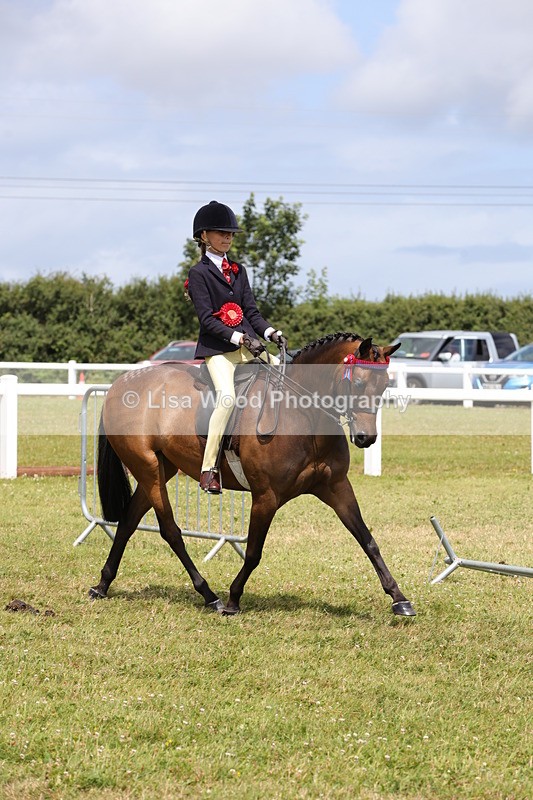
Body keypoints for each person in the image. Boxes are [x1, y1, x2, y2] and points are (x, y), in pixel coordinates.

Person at [187, 200, 286, 494]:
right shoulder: (198, 273)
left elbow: (251, 313)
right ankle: (209, 469)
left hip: (249, 345)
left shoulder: (239, 270)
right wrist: (239, 339)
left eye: (230, 233)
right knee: (227, 398)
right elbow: (207, 320)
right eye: (222, 232)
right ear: (204, 236)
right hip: (219, 352)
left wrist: (271, 332)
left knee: (289, 373)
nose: (228, 237)